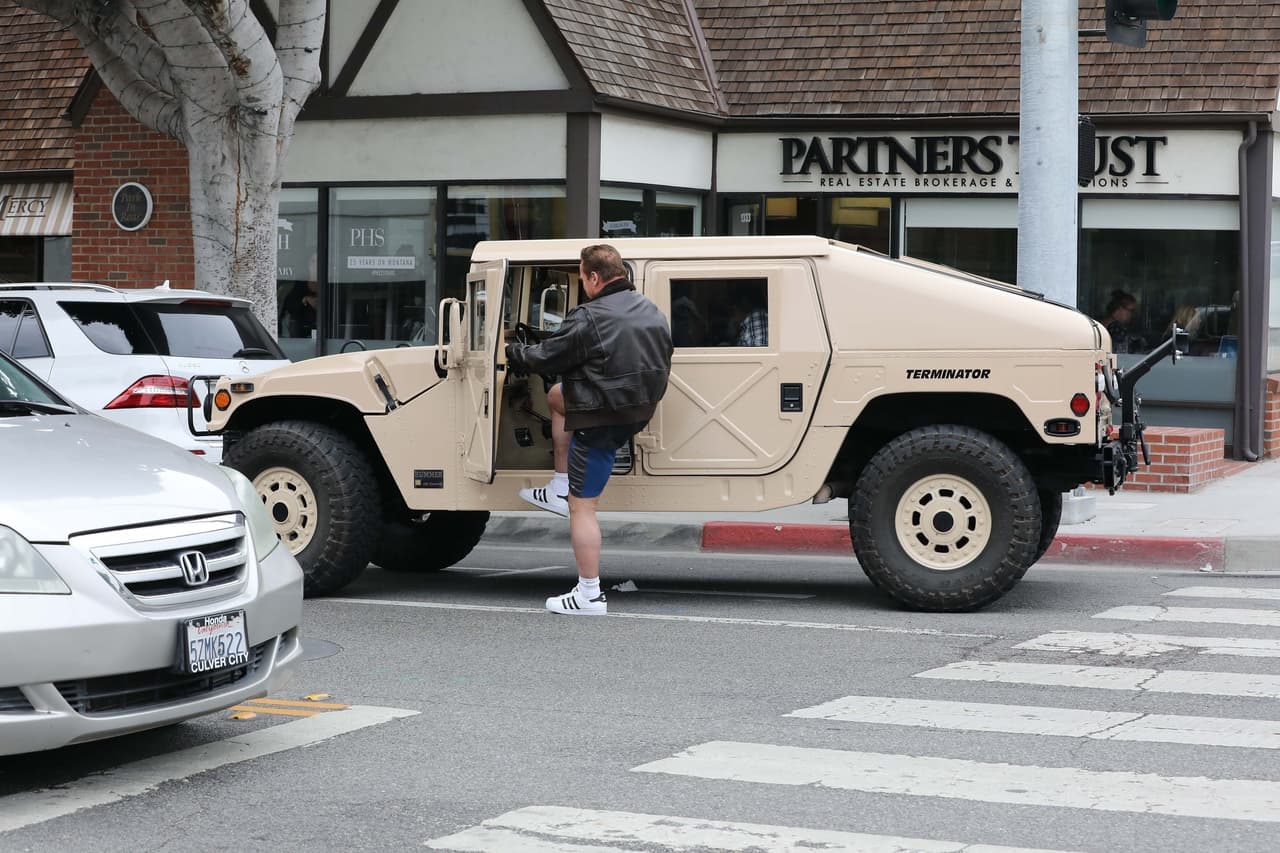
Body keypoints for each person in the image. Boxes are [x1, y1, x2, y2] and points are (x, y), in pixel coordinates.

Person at [505, 244, 673, 616]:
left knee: (582, 510)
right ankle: (559, 483)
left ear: (594, 277)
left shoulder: (589, 316)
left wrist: (513, 353)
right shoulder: (652, 311)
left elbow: (546, 357)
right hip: (637, 410)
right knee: (556, 394)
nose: (583, 285)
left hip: (601, 418)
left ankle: (589, 595)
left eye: (582, 278)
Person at [1099, 289, 1139, 354]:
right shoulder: (1116, 328)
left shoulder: (1105, 323)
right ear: (1119, 308)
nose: (1131, 314)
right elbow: (1122, 353)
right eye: (1130, 310)